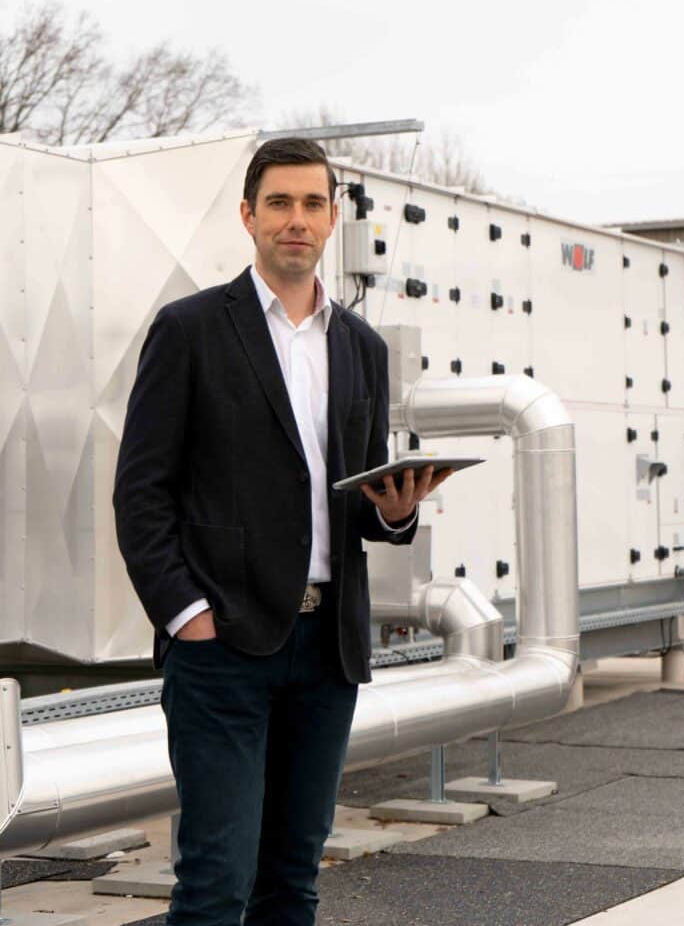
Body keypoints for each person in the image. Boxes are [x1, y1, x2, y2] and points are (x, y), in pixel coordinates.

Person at [113, 137, 453, 925]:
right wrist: (185, 616)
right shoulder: (190, 329)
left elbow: (355, 498)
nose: (295, 220)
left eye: (311, 204)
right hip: (223, 644)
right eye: (278, 203)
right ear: (247, 215)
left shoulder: (361, 348)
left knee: (292, 881)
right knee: (214, 885)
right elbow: (141, 492)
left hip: (326, 649)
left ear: (333, 218)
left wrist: (394, 511)